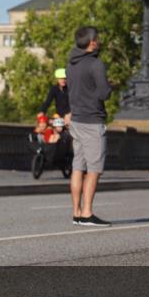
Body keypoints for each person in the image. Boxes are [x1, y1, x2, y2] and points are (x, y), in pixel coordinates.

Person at [66, 26, 112, 226]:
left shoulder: (71, 64)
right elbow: (104, 93)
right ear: (92, 42)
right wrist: (111, 86)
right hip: (92, 121)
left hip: (76, 120)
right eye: (98, 38)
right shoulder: (96, 64)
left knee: (78, 166)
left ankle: (76, 212)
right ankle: (87, 213)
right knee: (94, 169)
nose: (99, 41)